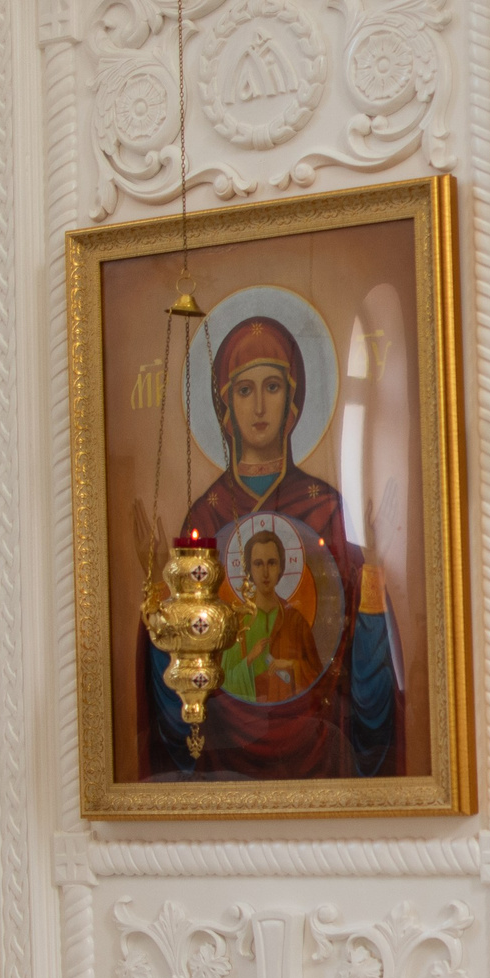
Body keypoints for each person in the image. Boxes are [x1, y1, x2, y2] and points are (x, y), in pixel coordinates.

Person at [136, 314, 403, 780]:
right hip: (224, 751)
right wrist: (160, 586)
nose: (259, 405)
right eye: (244, 390)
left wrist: (375, 571)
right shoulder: (205, 518)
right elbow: (185, 664)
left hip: (319, 744)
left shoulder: (327, 512)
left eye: (273, 387)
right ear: (225, 409)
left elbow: (360, 662)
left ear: (293, 403)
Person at [221, 528, 327, 704]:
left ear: (280, 567)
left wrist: (291, 665)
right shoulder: (238, 621)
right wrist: (250, 659)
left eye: (271, 563)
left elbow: (316, 678)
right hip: (250, 716)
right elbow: (225, 680)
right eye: (258, 563)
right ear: (249, 569)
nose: (265, 573)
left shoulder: (295, 621)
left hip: (290, 714)